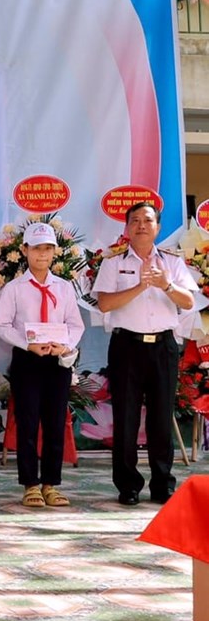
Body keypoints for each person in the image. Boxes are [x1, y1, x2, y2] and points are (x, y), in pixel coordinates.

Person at [94, 201, 196, 505]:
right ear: (127, 227)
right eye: (135, 220)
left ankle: (162, 484)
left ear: (158, 227)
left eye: (147, 220)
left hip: (163, 347)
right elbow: (105, 304)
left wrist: (166, 285)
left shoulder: (172, 262)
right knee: (125, 418)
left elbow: (189, 302)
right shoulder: (113, 263)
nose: (141, 225)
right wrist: (140, 286)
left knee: (161, 418)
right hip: (127, 346)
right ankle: (128, 486)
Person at [0, 222, 85, 508]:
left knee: (55, 423)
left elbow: (75, 324)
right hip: (27, 361)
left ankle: (50, 484)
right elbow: (2, 325)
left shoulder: (64, 288)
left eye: (47, 248)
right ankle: (30, 484)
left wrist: (65, 345)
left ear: (55, 252)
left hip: (56, 363)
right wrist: (27, 344)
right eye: (36, 248)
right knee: (28, 422)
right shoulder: (14, 289)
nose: (42, 254)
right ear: (25, 250)